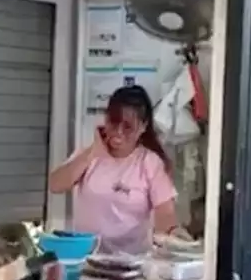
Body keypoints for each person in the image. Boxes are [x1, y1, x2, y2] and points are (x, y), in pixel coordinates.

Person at [47, 85, 182, 255]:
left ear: (143, 126)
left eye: (127, 127)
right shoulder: (88, 154)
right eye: (113, 122)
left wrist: (170, 238)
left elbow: (165, 213)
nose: (118, 132)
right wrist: (92, 153)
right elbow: (55, 185)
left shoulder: (150, 163)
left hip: (130, 263)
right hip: (88, 259)